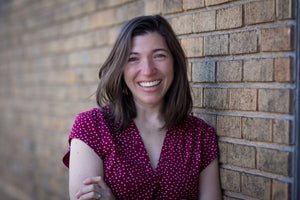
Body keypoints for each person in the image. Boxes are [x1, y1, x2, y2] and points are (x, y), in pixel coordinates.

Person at [63, 15, 222, 200]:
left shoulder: (200, 135)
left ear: (175, 63)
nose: (147, 70)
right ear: (120, 68)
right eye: (133, 58)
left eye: (159, 56)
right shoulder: (92, 127)